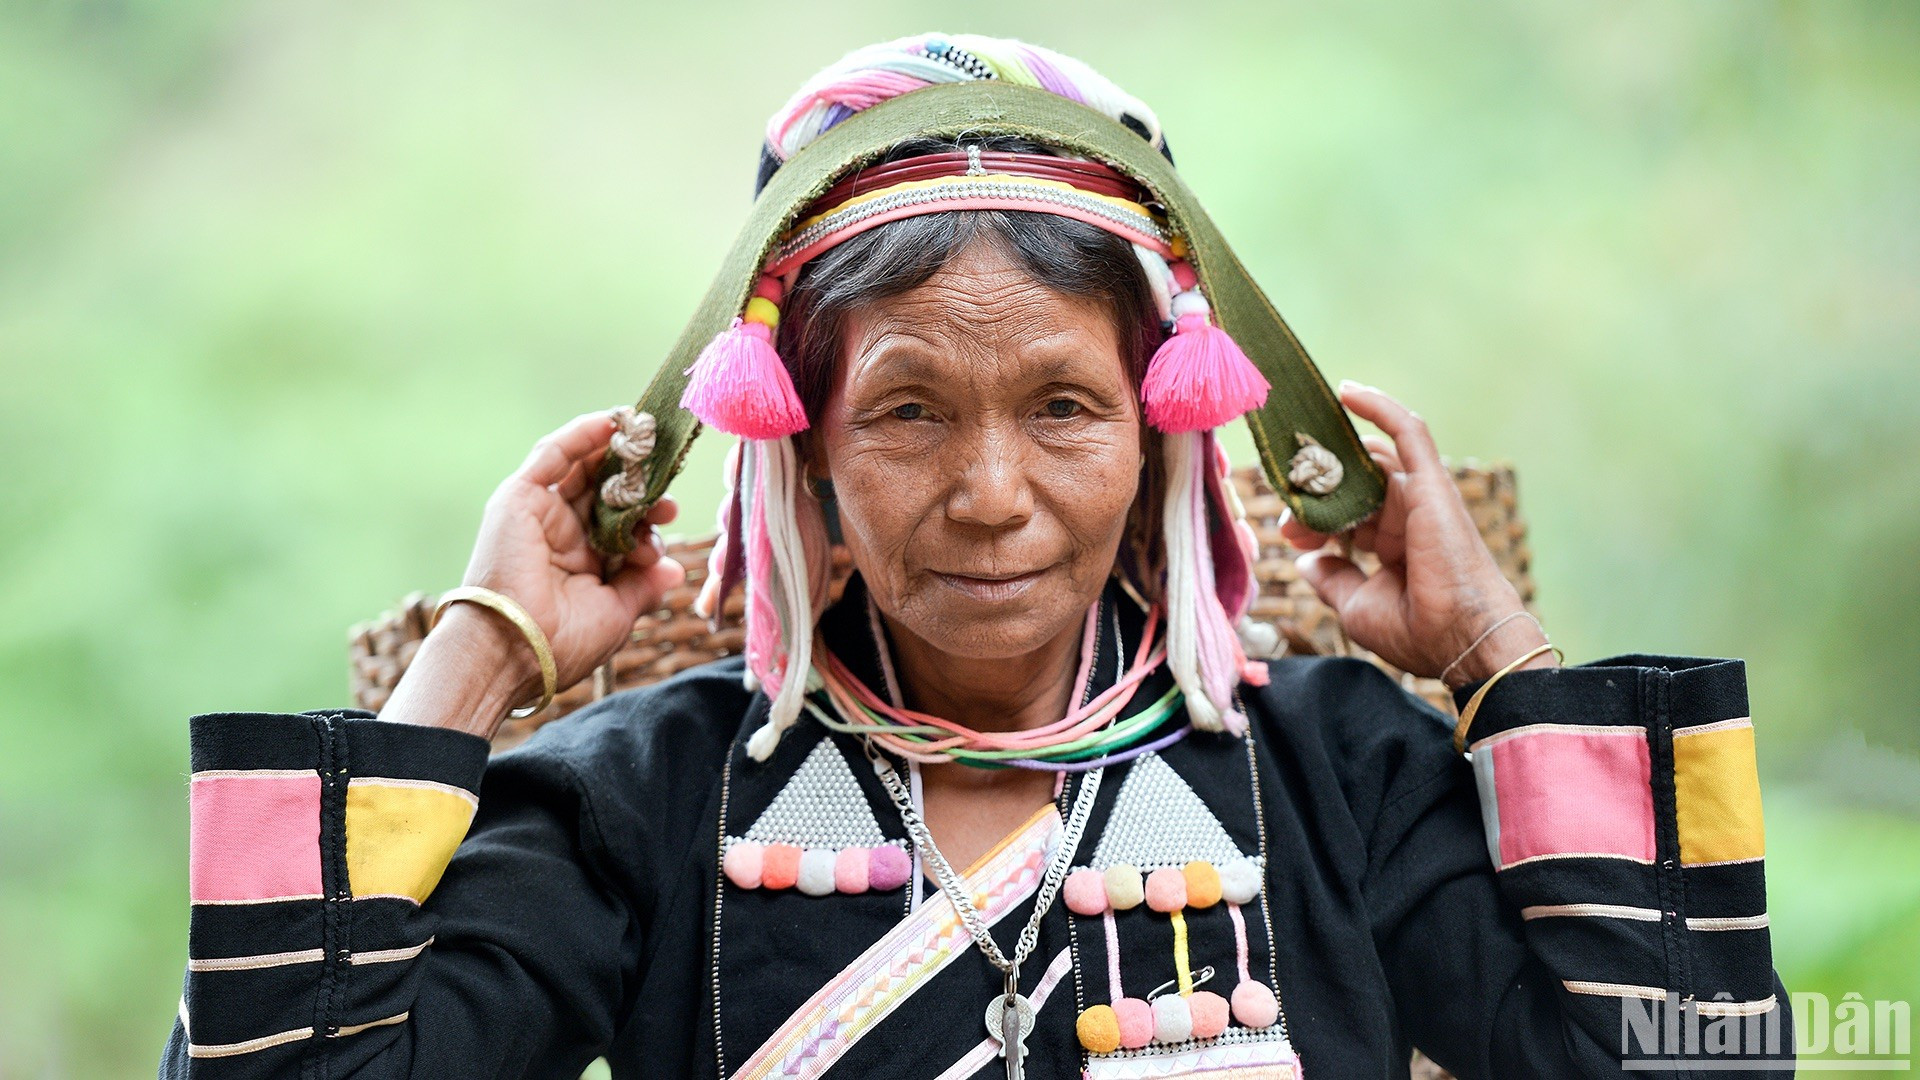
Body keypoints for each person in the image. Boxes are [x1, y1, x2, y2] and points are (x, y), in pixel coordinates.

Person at [162, 35, 1792, 1080]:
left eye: (1065, 406)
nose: (992, 493)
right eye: (910, 413)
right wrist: (486, 647)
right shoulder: (642, 801)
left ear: (1164, 432)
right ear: (797, 454)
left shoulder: (1336, 773)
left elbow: (1689, 1064)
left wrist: (1491, 650)